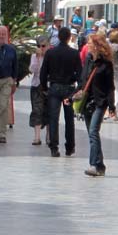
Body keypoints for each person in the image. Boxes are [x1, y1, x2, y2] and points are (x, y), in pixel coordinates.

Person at [39, 26, 82, 157]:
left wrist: (44, 88)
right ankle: (70, 147)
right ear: (69, 38)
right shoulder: (74, 53)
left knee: (53, 118)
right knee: (69, 119)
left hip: (55, 88)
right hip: (69, 89)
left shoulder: (50, 53)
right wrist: (78, 88)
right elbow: (80, 74)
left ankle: (54, 147)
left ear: (58, 37)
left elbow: (43, 73)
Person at [80, 33, 116, 177]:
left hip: (100, 103)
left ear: (96, 45)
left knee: (93, 132)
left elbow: (110, 87)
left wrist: (112, 106)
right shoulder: (88, 60)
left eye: (89, 43)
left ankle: (94, 165)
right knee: (91, 134)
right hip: (87, 102)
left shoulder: (106, 64)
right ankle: (100, 165)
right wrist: (74, 96)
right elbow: (83, 81)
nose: (87, 45)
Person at [29, 35, 50, 146]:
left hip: (48, 86)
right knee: (37, 110)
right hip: (37, 86)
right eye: (39, 46)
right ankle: (37, 137)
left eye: (43, 46)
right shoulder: (34, 56)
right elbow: (32, 70)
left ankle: (48, 135)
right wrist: (37, 58)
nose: (41, 48)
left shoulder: (51, 56)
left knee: (49, 110)